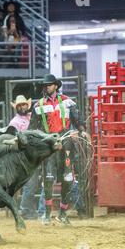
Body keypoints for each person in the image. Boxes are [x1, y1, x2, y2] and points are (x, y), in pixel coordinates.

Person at [30, 74, 86, 225]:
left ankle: (62, 213)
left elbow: (78, 120)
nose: (46, 87)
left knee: (67, 179)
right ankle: (47, 215)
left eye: (49, 84)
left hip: (66, 143)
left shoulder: (68, 102)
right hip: (48, 145)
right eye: (45, 85)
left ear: (55, 86)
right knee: (48, 179)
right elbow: (33, 128)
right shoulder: (38, 105)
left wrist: (80, 131)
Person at [8, 95, 39, 220]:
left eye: (23, 105)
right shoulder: (14, 123)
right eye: (19, 105)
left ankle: (29, 210)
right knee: (30, 183)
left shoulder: (31, 117)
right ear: (16, 107)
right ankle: (25, 210)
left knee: (33, 183)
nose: (22, 107)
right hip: (24, 157)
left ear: (27, 105)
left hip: (34, 155)